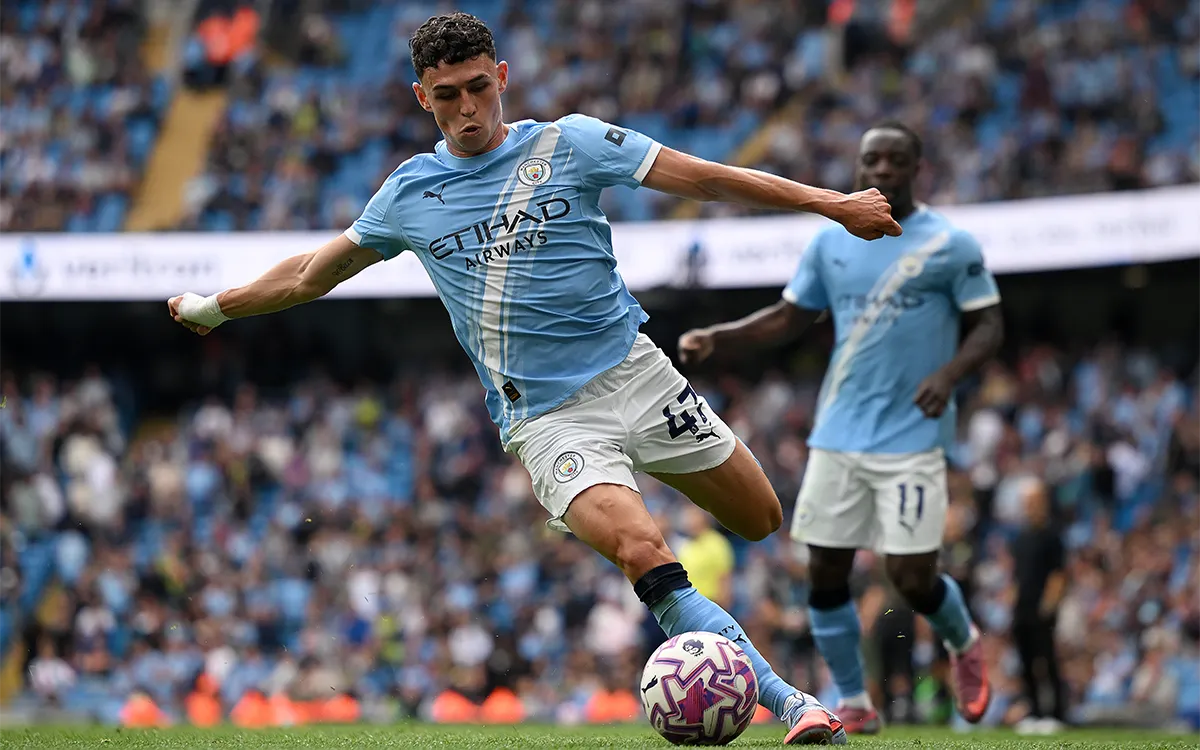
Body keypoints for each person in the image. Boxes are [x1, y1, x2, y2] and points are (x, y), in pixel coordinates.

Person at [166, 12, 900, 745]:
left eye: (478, 88)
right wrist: (213, 308)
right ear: (421, 96)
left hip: (639, 377)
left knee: (760, 518)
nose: (466, 109)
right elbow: (306, 274)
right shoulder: (409, 194)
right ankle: (794, 703)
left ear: (503, 79)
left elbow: (704, 177)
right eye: (446, 94)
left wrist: (834, 205)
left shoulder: (570, 143)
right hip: (550, 421)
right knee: (644, 552)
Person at [678, 122, 1004, 734]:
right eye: (870, 159)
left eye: (895, 160)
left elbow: (989, 326)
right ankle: (854, 699)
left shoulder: (949, 245)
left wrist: (951, 373)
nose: (881, 169)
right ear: (857, 168)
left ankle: (963, 640)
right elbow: (788, 318)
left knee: (910, 579)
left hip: (912, 434)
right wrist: (718, 338)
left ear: (916, 168)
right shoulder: (832, 244)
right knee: (825, 571)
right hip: (838, 432)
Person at [1010, 480, 1068, 734]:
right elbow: (1016, 575)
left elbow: (1058, 574)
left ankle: (1056, 713)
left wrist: (1049, 604)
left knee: (1047, 660)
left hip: (1042, 608)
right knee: (1025, 661)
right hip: (1021, 608)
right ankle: (1033, 711)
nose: (1030, 507)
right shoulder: (1021, 538)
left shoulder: (1052, 535)